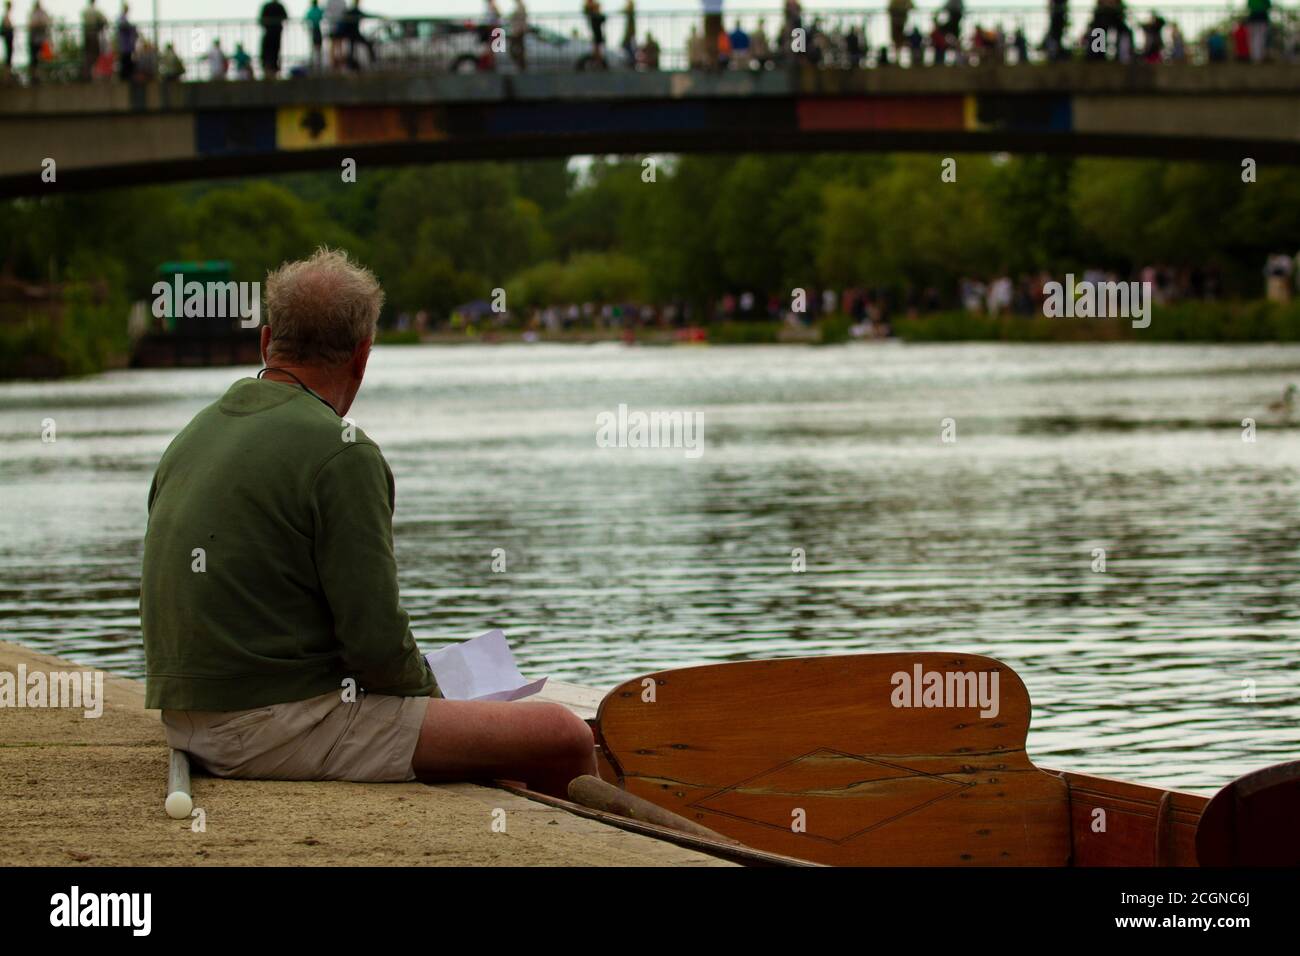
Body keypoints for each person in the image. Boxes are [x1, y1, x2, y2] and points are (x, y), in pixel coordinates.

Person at [141, 249, 596, 795]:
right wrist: (443, 707)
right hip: (268, 726)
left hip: (189, 721)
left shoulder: (194, 433)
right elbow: (377, 649)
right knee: (561, 734)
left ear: (266, 342)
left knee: (493, 744)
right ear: (363, 355)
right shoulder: (344, 453)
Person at [260, 0, 288, 78]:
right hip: (277, 33)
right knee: (275, 52)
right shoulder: (280, 6)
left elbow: (261, 20)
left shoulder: (266, 6)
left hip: (269, 33)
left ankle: (267, 71)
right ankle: (273, 72)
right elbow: (285, 17)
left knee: (267, 53)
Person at [81, 0, 107, 81]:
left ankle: (86, 74)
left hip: (86, 34)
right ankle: (92, 73)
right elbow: (104, 20)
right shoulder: (96, 11)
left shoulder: (85, 11)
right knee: (95, 54)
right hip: (93, 34)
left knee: (87, 54)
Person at [26, 0, 50, 84]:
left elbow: (46, 22)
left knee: (40, 58)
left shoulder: (42, 13)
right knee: (34, 59)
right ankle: (35, 76)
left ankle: (39, 76)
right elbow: (31, 25)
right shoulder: (33, 13)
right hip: (35, 39)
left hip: (40, 39)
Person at [116, 3, 137, 81]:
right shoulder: (121, 18)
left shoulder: (124, 18)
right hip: (124, 45)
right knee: (125, 60)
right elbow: (122, 26)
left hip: (127, 45)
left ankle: (127, 76)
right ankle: (124, 77)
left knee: (127, 60)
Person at [701, 0, 723, 70]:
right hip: (711, 15)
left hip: (714, 15)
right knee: (712, 42)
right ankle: (712, 63)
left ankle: (714, 63)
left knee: (714, 42)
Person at [325, 0, 346, 69]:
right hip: (340, 26)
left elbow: (327, 13)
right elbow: (344, 12)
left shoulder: (329, 2)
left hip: (332, 26)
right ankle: (340, 64)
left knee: (333, 45)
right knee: (339, 45)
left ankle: (332, 63)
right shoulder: (342, 2)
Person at [583, 0, 605, 65]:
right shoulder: (593, 14)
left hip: (597, 32)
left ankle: (597, 62)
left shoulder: (594, 14)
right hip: (596, 32)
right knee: (596, 48)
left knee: (597, 48)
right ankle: (597, 62)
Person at [306, 0, 324, 72]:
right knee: (318, 47)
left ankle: (313, 62)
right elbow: (323, 16)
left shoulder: (310, 11)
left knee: (313, 46)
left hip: (313, 30)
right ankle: (318, 63)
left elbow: (306, 19)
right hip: (317, 29)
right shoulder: (319, 10)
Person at [508, 0, 526, 70]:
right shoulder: (520, 6)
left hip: (518, 31)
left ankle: (521, 66)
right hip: (516, 31)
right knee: (518, 49)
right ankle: (521, 66)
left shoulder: (520, 6)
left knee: (516, 50)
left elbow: (520, 19)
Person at [620, 0, 636, 68]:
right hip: (629, 33)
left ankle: (631, 62)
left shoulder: (630, 10)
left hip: (629, 34)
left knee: (629, 48)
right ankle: (631, 62)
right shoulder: (630, 11)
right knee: (629, 48)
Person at [1, 2, 12, 75]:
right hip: (8, 37)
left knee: (8, 55)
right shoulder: (6, 16)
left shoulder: (6, 15)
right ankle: (7, 73)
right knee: (8, 55)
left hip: (8, 37)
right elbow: (6, 26)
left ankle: (7, 73)